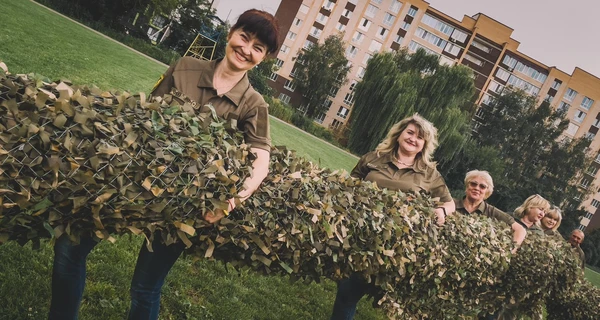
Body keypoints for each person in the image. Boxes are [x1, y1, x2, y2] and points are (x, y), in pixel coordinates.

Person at [48, 9, 279, 320]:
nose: (246, 49)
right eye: (244, 37)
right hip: (130, 183)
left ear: (263, 58)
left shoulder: (255, 105)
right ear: (231, 33)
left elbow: (260, 162)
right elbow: (144, 117)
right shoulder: (185, 67)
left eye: (258, 48)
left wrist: (231, 200)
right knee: (69, 250)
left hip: (183, 208)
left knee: (145, 288)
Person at [330, 114, 455, 320]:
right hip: (359, 236)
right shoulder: (373, 157)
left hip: (395, 247)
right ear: (399, 134)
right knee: (346, 293)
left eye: (420, 137)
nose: (413, 139)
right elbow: (350, 185)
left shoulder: (429, 173)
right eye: (410, 132)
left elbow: (449, 203)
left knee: (373, 298)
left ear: (424, 144)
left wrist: (441, 211)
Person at [496, 194, 550, 320]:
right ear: (530, 206)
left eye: (545, 212)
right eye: (541, 209)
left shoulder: (538, 233)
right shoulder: (509, 218)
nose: (543, 214)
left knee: (507, 312)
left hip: (514, 278)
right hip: (498, 268)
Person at [454, 170, 527, 246]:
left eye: (482, 186)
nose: (477, 188)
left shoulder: (492, 212)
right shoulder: (451, 204)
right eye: (473, 184)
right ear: (467, 186)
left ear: (487, 191)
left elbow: (520, 230)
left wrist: (511, 251)